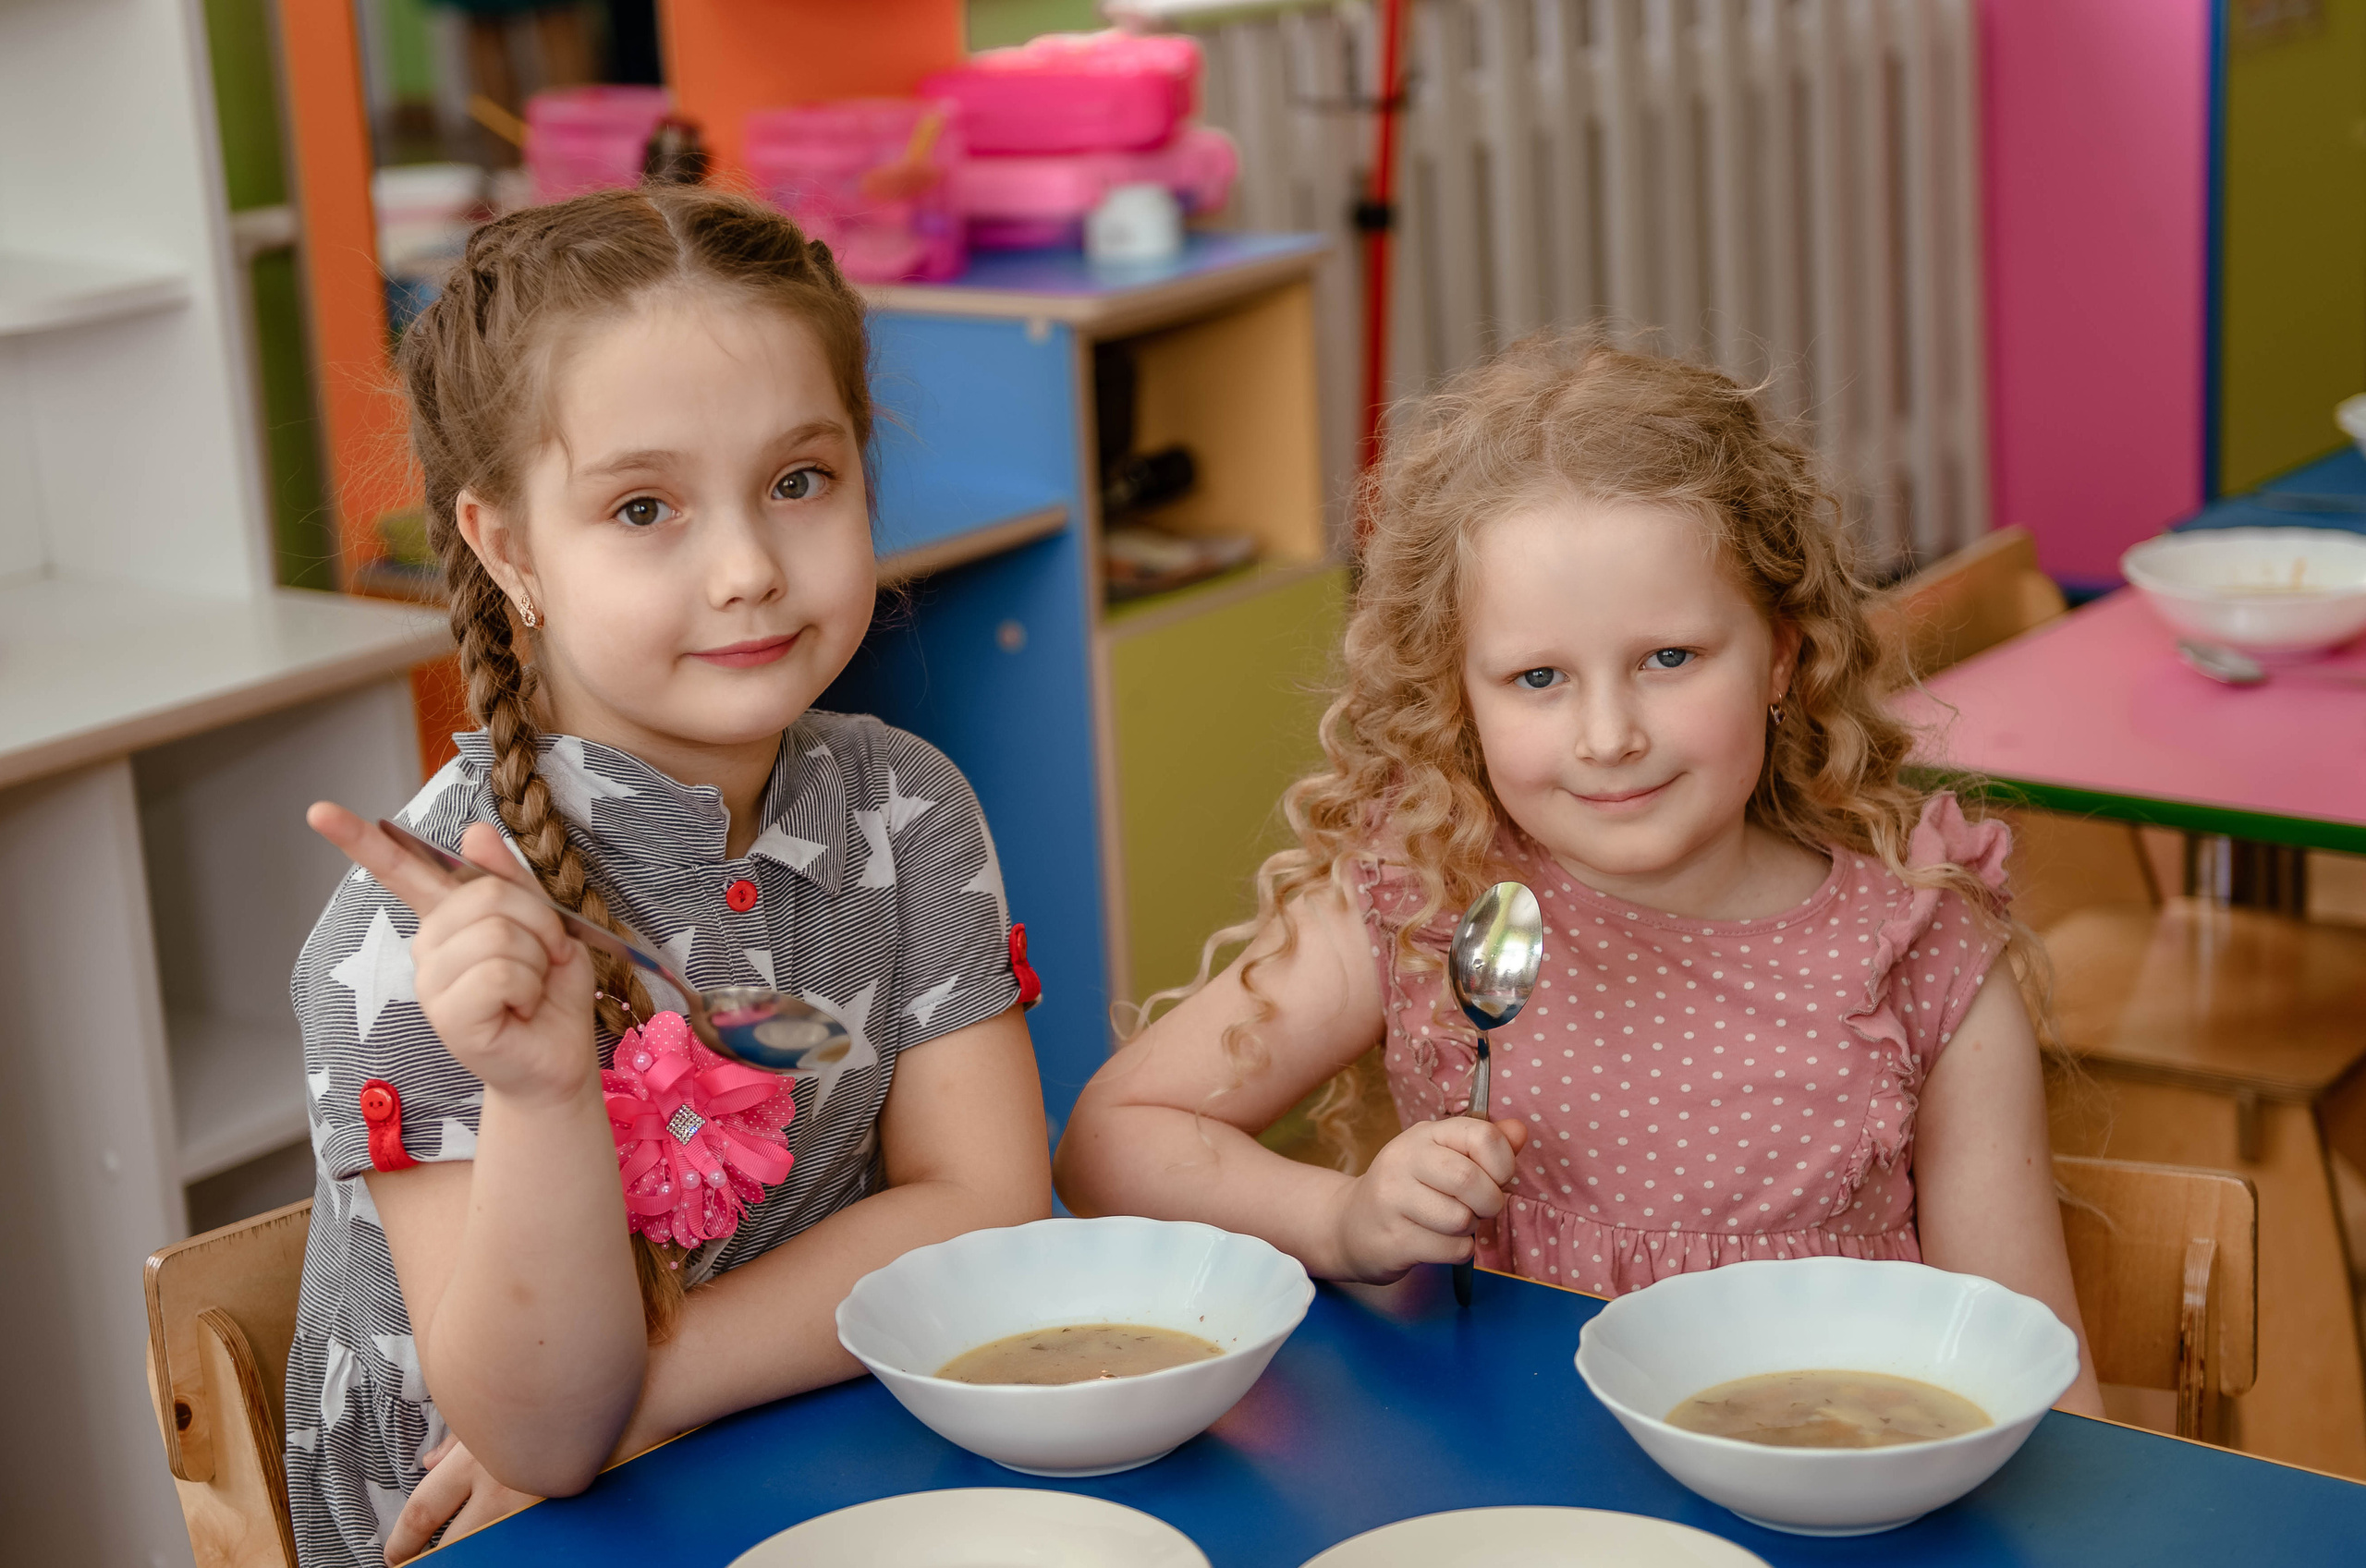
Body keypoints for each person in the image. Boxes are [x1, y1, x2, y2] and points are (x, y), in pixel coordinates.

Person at [1054, 333, 2104, 1416]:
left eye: (1669, 659)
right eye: (1538, 676)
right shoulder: (1428, 893)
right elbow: (1112, 1141)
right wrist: (1342, 1220)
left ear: (1783, 653)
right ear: (1458, 693)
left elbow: (2033, 1363)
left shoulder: (1916, 938)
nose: (1607, 735)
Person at [287, 187, 1053, 1568]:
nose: (751, 568)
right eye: (645, 507)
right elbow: (535, 1445)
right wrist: (538, 1090)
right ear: (508, 546)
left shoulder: (907, 806)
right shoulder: (420, 940)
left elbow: (986, 1204)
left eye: (799, 482)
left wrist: (660, 1388)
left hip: (811, 1458)